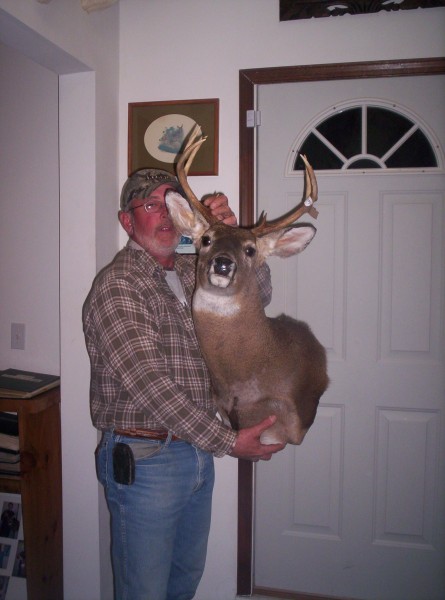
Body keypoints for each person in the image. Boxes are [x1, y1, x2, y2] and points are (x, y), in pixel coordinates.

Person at [82, 167, 284, 600]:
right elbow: (151, 385)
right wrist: (228, 442)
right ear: (127, 221)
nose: (165, 216)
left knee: (182, 585)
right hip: (145, 461)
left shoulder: (192, 269)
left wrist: (230, 233)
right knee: (146, 592)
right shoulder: (119, 286)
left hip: (193, 454)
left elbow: (258, 292)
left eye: (172, 205)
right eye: (151, 205)